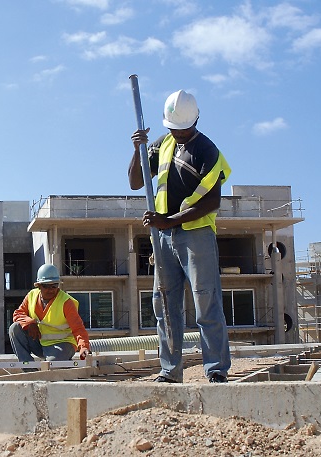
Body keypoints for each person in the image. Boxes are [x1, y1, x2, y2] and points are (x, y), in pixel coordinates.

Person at [128, 89, 231, 384]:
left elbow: (212, 202)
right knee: (165, 305)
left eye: (183, 128)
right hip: (163, 237)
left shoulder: (207, 150)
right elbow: (136, 182)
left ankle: (216, 369)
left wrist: (168, 220)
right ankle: (170, 370)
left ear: (196, 120)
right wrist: (137, 150)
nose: (179, 133)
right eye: (175, 128)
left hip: (196, 234)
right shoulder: (162, 144)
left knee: (206, 301)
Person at [8, 264, 90, 364]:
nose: (50, 289)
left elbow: (78, 328)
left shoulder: (66, 302)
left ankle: (61, 362)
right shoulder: (31, 296)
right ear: (38, 285)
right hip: (40, 343)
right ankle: (28, 367)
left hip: (63, 344)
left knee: (52, 364)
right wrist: (29, 323)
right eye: (46, 286)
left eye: (54, 286)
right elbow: (18, 313)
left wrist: (84, 347)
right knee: (15, 328)